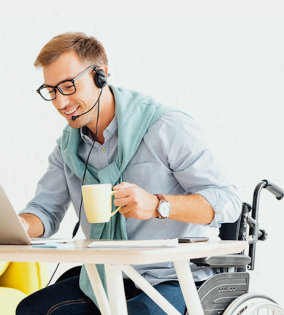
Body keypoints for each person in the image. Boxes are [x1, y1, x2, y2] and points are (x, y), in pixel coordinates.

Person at [16, 32, 241, 315]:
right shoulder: (68, 147)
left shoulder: (165, 127)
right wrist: (17, 226)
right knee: (34, 309)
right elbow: (44, 212)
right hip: (106, 277)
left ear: (101, 75)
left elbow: (228, 201)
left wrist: (159, 205)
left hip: (175, 278)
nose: (60, 103)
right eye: (51, 91)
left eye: (68, 86)